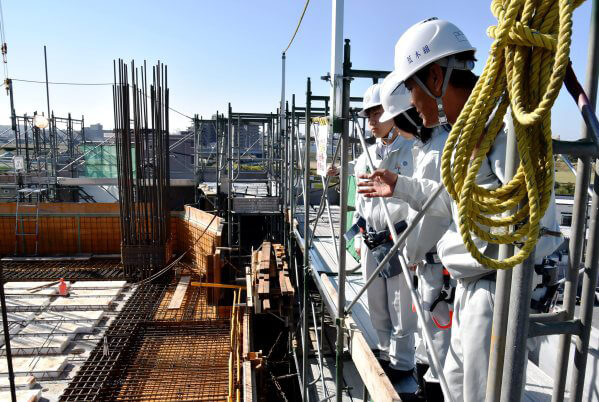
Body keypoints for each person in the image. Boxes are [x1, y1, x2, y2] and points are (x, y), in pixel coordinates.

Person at [357, 18, 562, 401]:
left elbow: (523, 229)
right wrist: (401, 186)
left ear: (435, 78)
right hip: (473, 289)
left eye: (411, 90)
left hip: (495, 294)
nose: (413, 106)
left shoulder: (503, 132)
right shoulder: (470, 134)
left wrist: (443, 249)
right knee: (454, 385)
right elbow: (451, 198)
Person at [379, 72, 453, 396]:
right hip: (428, 264)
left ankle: (430, 390)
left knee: (438, 345)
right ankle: (424, 386)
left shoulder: (435, 151)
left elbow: (432, 216)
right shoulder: (426, 147)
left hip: (438, 266)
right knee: (428, 341)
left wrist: (410, 253)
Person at [350, 82, 418, 396]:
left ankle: (403, 363)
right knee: (376, 302)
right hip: (372, 239)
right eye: (369, 115)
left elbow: (420, 200)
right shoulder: (365, 154)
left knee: (401, 307)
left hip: (400, 241)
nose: (372, 121)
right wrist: (355, 233)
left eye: (378, 113)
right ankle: (383, 350)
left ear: (394, 113)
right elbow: (360, 202)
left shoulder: (412, 149)